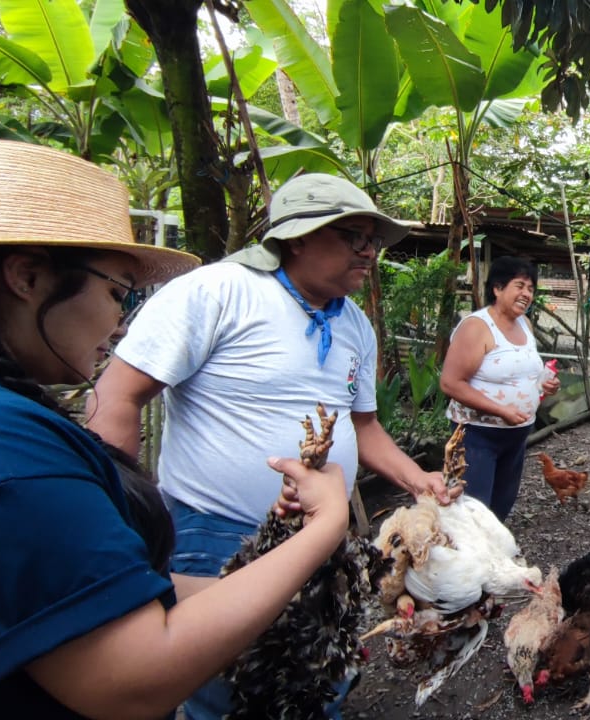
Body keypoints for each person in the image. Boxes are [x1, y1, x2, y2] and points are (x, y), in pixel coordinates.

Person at [0, 139, 352, 719]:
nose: (121, 321)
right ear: (26, 276)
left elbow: (104, 597)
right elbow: (132, 678)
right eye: (117, 292)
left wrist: (290, 576)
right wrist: (325, 525)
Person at [87, 172, 450, 718]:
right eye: (354, 236)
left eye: (374, 239)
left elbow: (364, 427)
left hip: (322, 539)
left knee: (317, 676)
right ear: (297, 237)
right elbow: (117, 395)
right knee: (229, 692)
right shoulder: (219, 291)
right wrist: (120, 523)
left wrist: (417, 479)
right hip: (219, 533)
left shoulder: (354, 323)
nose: (370, 251)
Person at [440, 255, 560, 520]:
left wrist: (544, 384)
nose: (526, 294)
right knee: (472, 513)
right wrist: (500, 410)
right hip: (477, 437)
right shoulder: (477, 327)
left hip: (516, 437)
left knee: (499, 509)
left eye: (531, 289)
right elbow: (450, 383)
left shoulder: (525, 324)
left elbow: (523, 374)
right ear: (497, 288)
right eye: (520, 286)